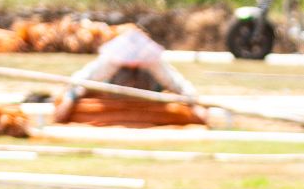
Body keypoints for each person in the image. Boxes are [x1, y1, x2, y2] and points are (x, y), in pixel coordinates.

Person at [52, 27, 205, 125]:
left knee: (180, 110)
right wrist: (70, 99)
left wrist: (193, 103)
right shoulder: (110, 61)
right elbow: (84, 79)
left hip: (148, 102)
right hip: (115, 100)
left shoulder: (152, 61)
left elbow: (176, 82)